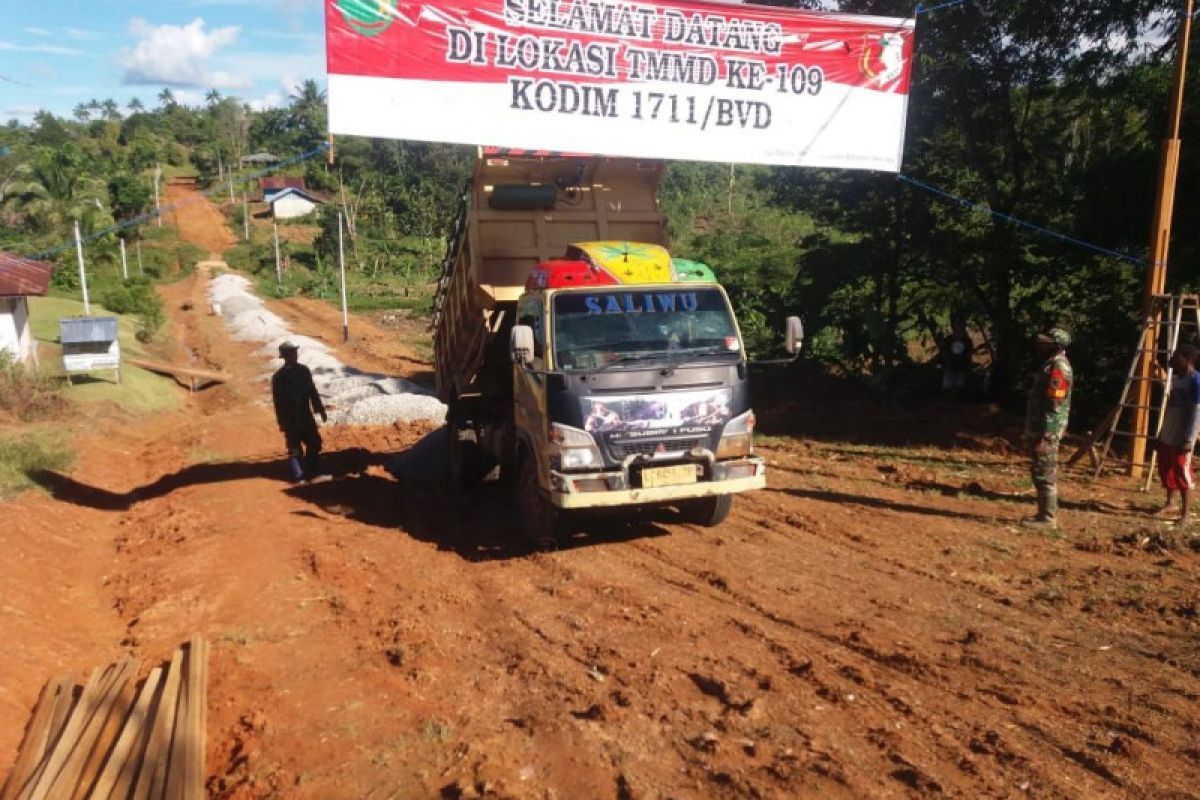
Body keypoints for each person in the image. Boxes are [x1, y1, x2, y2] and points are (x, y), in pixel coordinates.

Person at [1023, 327, 1072, 530]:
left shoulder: (1058, 367)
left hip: (1048, 430)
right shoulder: (1050, 364)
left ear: (1056, 345)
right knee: (1040, 470)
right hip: (1043, 428)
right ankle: (1043, 514)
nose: (1040, 344)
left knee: (1045, 471)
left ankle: (1047, 518)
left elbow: (1055, 403)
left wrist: (1046, 435)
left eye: (1045, 342)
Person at [271, 341, 330, 483]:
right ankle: (299, 476)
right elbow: (278, 402)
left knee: (314, 443)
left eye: (295, 352)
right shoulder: (279, 377)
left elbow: (312, 391)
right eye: (291, 353)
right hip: (290, 418)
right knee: (294, 448)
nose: (294, 355)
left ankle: (313, 473)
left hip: (305, 415)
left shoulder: (304, 370)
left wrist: (319, 409)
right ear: (285, 356)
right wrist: (281, 421)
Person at [1155, 344, 1200, 526]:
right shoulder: (1176, 380)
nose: (1171, 360)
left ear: (1187, 359)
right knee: (1166, 468)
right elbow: (1171, 408)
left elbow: (1197, 412)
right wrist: (1161, 433)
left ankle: (1186, 514)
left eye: (1176, 357)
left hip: (1183, 436)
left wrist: (1189, 439)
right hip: (1169, 432)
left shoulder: (1196, 381)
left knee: (1182, 470)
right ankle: (1170, 503)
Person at [941, 317, 973, 395]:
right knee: (947, 389)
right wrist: (947, 364)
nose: (959, 327)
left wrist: (968, 366)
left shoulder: (967, 341)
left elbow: (969, 355)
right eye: (957, 325)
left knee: (959, 389)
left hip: (962, 368)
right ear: (954, 327)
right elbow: (945, 353)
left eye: (960, 325)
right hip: (950, 367)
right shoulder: (949, 339)